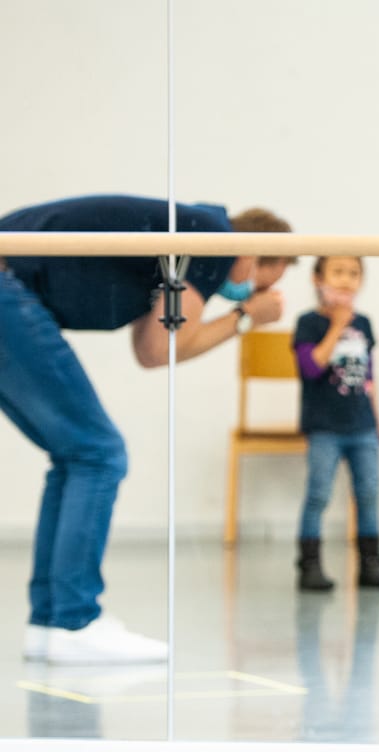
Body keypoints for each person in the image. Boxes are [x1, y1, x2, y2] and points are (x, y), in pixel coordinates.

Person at [0, 194, 292, 664]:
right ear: (253, 256)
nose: (247, 292)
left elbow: (151, 344)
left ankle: (52, 622)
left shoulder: (190, 235)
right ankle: (74, 622)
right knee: (99, 454)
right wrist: (244, 318)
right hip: (7, 288)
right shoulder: (216, 242)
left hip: (10, 287)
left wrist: (239, 314)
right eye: (259, 282)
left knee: (79, 455)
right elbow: (160, 350)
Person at [292, 256, 379, 591]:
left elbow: (368, 376)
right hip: (325, 428)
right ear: (317, 278)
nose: (346, 280)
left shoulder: (364, 323)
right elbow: (311, 368)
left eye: (354, 274)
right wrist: (336, 326)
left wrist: (377, 419)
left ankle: (371, 564)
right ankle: (309, 564)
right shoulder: (309, 323)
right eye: (337, 272)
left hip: (362, 426)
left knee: (368, 492)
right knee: (318, 494)